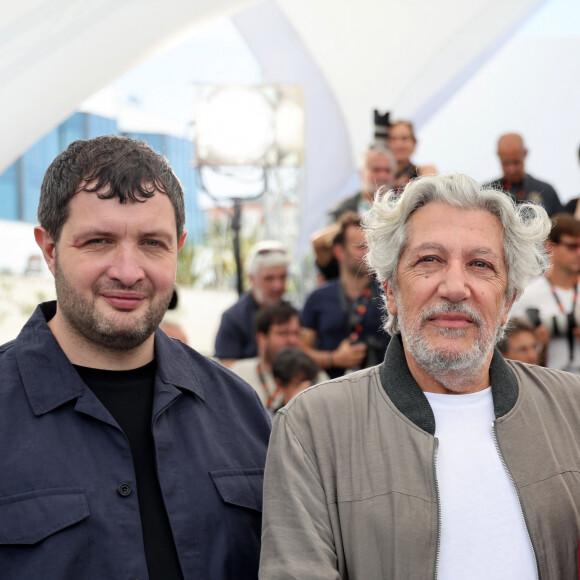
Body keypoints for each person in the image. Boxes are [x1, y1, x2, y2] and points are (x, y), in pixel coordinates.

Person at [260, 173, 580, 579]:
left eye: (480, 265)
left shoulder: (573, 409)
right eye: (430, 260)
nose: (455, 287)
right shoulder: (313, 428)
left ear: (508, 300)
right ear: (390, 289)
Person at [0, 135, 271, 580]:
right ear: (49, 250)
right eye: (99, 241)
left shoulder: (240, 411)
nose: (128, 271)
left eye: (152, 243)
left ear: (178, 248)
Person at [301, 211, 389, 379]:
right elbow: (300, 351)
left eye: (371, 246)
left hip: (384, 391)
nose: (368, 253)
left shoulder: (388, 292)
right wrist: (333, 359)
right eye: (361, 247)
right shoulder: (318, 298)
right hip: (331, 392)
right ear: (339, 252)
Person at [510, 212, 580, 371]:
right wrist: (537, 343)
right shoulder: (527, 296)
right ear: (549, 247)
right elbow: (509, 353)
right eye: (572, 247)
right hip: (547, 384)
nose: (579, 253)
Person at [231, 303, 328, 412]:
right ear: (261, 338)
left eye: (296, 333)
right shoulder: (238, 374)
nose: (292, 340)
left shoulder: (315, 376)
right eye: (283, 333)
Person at [214, 240, 289, 367]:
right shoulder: (233, 318)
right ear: (252, 278)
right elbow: (227, 370)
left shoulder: (292, 313)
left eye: (282, 277)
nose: (278, 286)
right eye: (269, 278)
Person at [485, 132, 563, 216]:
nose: (511, 169)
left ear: (525, 153)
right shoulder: (487, 193)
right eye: (506, 163)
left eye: (516, 162)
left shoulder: (545, 191)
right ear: (498, 156)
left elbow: (561, 226)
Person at [386, 119, 437, 191]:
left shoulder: (423, 173)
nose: (399, 144)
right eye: (393, 139)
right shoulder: (377, 176)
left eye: (404, 138)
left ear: (414, 143)